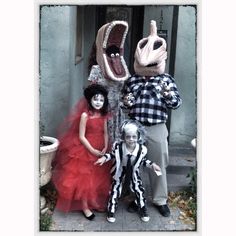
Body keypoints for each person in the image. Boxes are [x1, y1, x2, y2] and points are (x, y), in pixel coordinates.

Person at [121, 20, 182, 217]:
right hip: (135, 129)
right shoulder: (132, 79)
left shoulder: (166, 79)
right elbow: (124, 103)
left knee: (157, 164)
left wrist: (166, 94)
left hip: (156, 127)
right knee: (133, 163)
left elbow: (176, 103)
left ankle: (160, 199)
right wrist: (127, 102)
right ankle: (134, 197)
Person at [52, 84, 112, 220]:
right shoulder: (85, 115)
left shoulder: (103, 115)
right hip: (86, 148)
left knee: (97, 176)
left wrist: (105, 147)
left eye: (101, 100)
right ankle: (85, 206)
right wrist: (92, 150)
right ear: (90, 100)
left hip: (101, 147)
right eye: (95, 99)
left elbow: (106, 133)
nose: (98, 102)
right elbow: (81, 136)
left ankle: (93, 202)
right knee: (85, 178)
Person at [94, 120, 161, 223]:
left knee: (138, 188)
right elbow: (112, 155)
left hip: (133, 171)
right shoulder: (119, 147)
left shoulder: (141, 149)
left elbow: (143, 160)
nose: (131, 139)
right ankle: (111, 209)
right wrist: (103, 158)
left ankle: (143, 208)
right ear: (124, 137)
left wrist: (152, 165)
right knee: (115, 189)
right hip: (120, 170)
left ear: (138, 137)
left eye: (134, 137)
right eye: (128, 137)